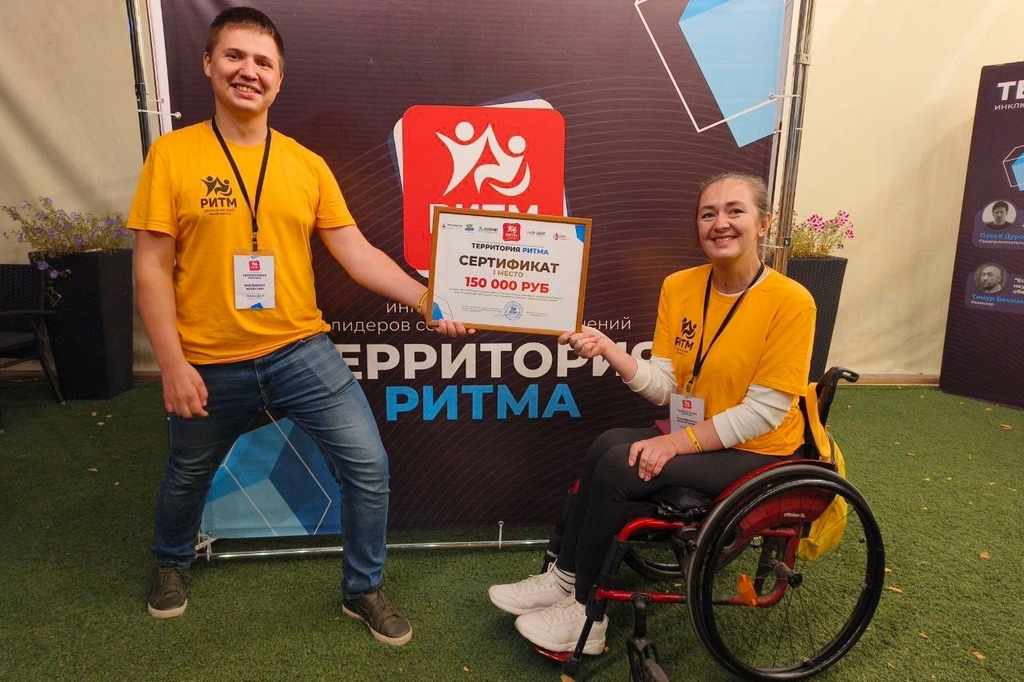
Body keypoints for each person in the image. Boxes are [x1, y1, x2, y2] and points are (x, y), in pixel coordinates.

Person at [127, 6, 469, 646]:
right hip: (206, 358)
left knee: (367, 467)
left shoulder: (307, 165)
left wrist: (426, 298)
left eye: (263, 62)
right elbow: (150, 267)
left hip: (299, 350)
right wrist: (171, 363)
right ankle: (171, 561)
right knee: (187, 472)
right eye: (235, 56)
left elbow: (357, 252)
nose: (248, 71)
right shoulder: (171, 155)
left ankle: (363, 589)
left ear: (279, 80)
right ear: (208, 63)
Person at [487, 172, 816, 654]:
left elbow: (761, 414)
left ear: (764, 223)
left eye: (735, 211)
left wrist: (674, 443)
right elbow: (665, 386)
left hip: (758, 449)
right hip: (701, 432)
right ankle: (565, 577)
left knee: (621, 465)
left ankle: (588, 617)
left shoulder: (792, 302)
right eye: (708, 214)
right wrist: (609, 349)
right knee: (606, 445)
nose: (720, 223)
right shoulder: (680, 286)